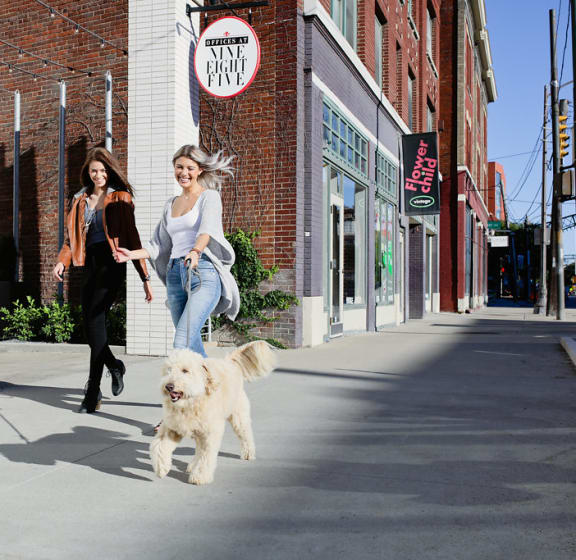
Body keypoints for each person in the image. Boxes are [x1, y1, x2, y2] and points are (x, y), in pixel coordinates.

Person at [115, 145, 239, 360]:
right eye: (179, 167)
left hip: (202, 272)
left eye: (190, 168)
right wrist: (131, 254)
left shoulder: (209, 197)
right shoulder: (170, 204)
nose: (184, 173)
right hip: (175, 274)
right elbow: (159, 245)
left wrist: (196, 251)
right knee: (189, 343)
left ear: (200, 170)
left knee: (182, 339)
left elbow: (206, 230)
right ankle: (211, 385)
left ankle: (203, 386)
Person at [53, 147, 153, 414]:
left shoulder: (120, 197)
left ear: (110, 171)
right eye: (94, 170)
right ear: (88, 172)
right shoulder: (79, 199)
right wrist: (62, 261)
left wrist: (144, 276)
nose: (98, 175)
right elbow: (70, 239)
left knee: (95, 321)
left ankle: (93, 390)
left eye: (103, 170)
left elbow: (131, 236)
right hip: (90, 264)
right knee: (90, 327)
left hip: (113, 264)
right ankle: (114, 365)